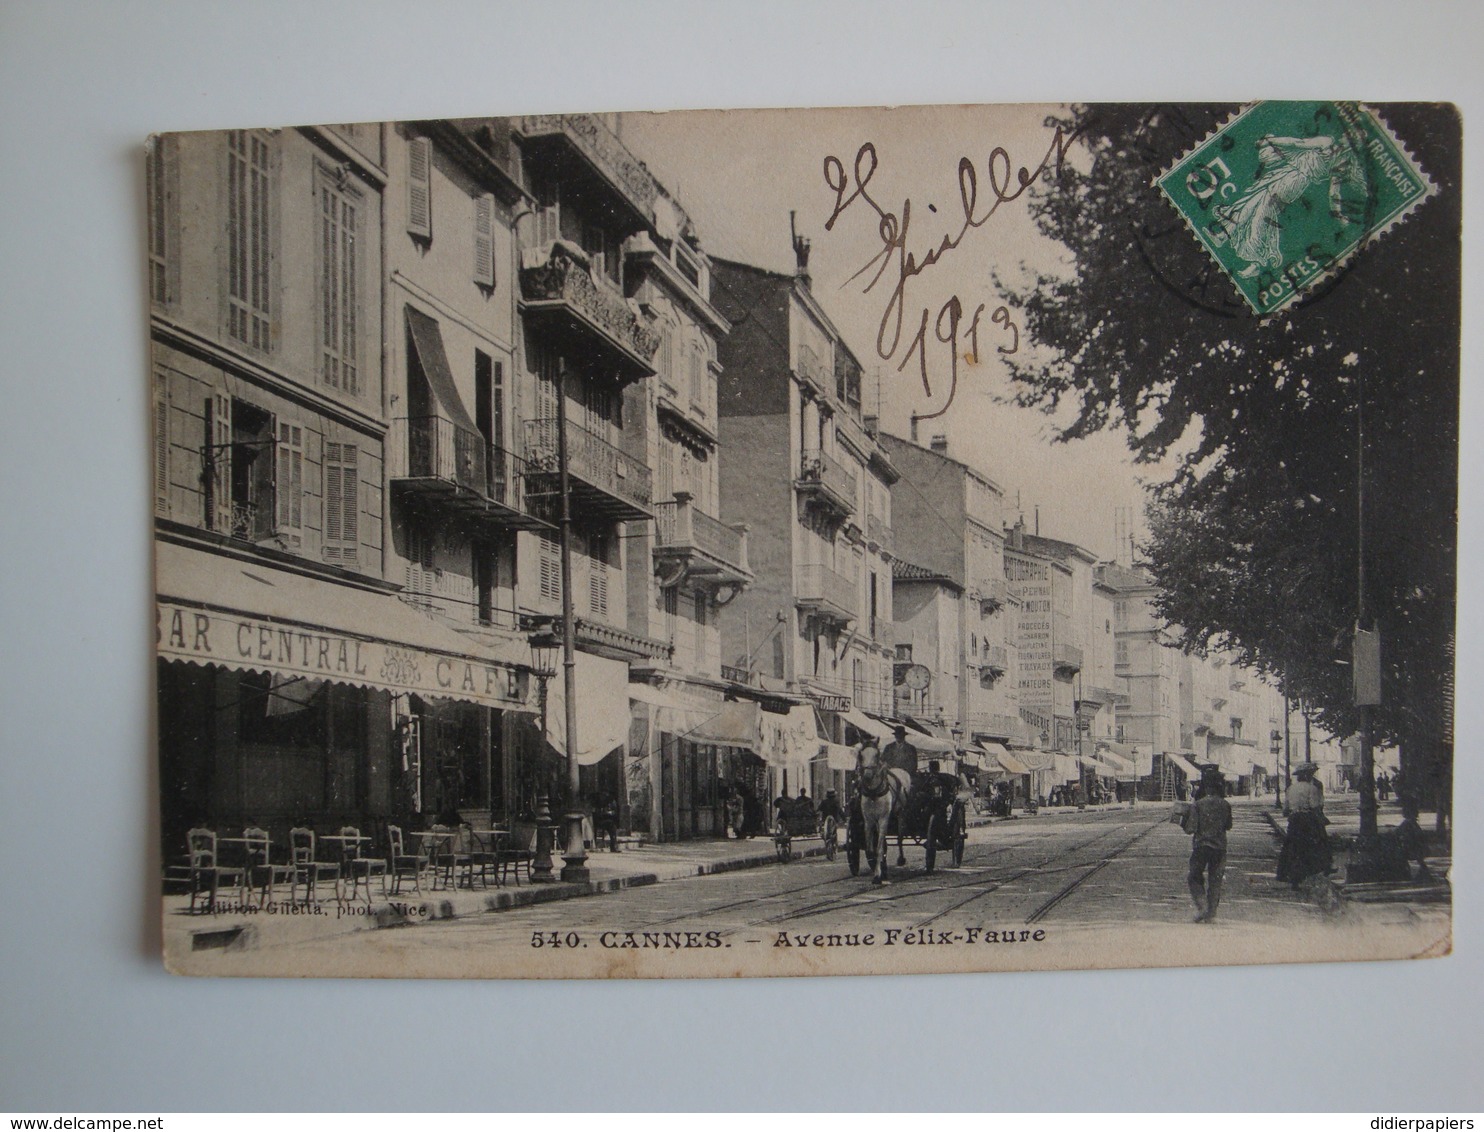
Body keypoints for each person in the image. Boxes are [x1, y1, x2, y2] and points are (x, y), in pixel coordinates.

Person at [1182, 766, 1233, 922]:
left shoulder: (1198, 805)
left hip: (1201, 846)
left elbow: (1191, 828)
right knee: (1215, 880)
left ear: (1206, 786)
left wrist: (1183, 821)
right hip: (1219, 847)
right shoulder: (1225, 804)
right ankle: (1211, 914)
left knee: (1194, 877)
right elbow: (1228, 825)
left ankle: (1202, 906)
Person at [1276, 761, 1333, 887]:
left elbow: (1285, 808)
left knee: (1291, 847)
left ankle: (1289, 874)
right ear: (1307, 776)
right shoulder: (1312, 788)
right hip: (1307, 820)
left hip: (1294, 819)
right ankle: (1321, 868)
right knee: (1315, 844)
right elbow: (1315, 806)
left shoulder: (1290, 788)